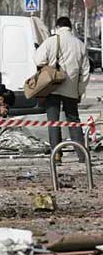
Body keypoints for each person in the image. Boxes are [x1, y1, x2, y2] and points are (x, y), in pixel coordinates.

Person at [34, 16, 90, 163]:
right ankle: (82, 154)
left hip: (53, 87)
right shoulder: (80, 44)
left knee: (53, 121)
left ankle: (56, 154)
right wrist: (80, 90)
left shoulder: (51, 41)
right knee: (73, 121)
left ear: (57, 27)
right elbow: (85, 72)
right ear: (70, 27)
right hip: (71, 89)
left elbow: (38, 59)